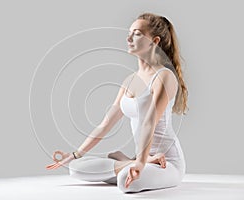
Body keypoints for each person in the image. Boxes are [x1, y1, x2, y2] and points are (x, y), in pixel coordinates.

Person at [46, 12, 189, 193]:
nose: (128, 38)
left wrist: (141, 162)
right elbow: (106, 124)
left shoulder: (164, 77)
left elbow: (149, 123)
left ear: (155, 41)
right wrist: (74, 155)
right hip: (142, 159)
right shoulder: (129, 81)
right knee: (76, 168)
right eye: (129, 32)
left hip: (167, 162)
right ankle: (128, 161)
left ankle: (126, 162)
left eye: (136, 33)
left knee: (125, 181)